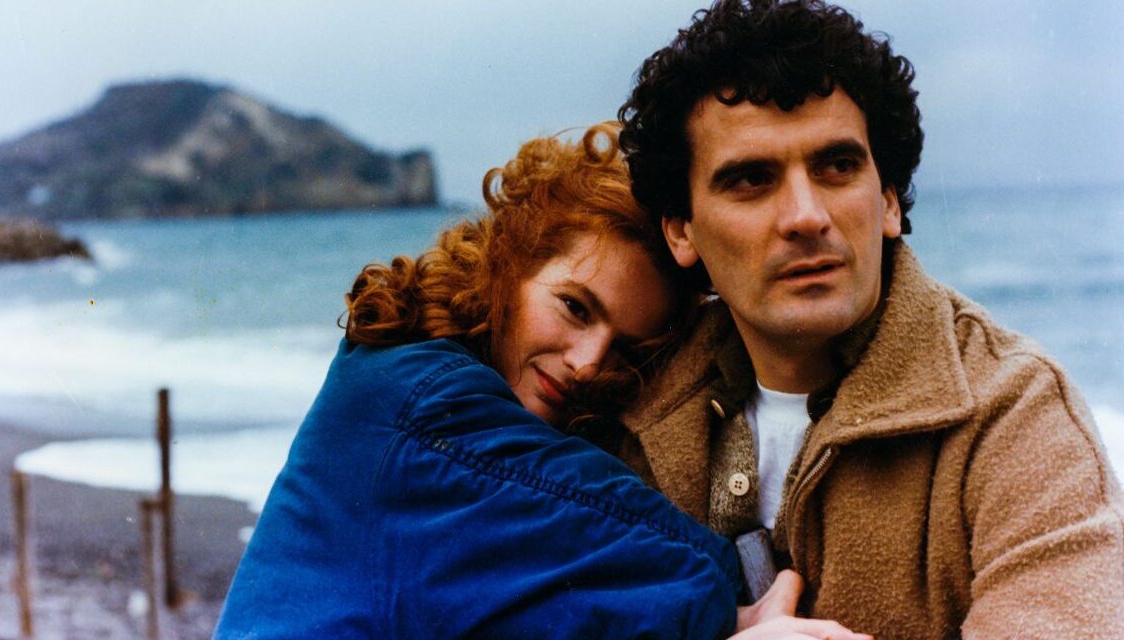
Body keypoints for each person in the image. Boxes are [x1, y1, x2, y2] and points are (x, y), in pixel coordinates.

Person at [213, 124, 868, 639]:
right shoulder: (416, 397)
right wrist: (732, 600)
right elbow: (600, 524)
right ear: (509, 264)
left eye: (627, 349)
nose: (588, 363)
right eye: (575, 308)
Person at [614, 0, 1124, 638]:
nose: (806, 216)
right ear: (681, 231)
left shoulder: (1015, 414)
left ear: (887, 201)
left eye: (837, 166)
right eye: (751, 179)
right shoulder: (627, 406)